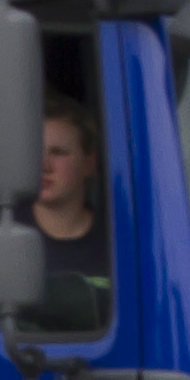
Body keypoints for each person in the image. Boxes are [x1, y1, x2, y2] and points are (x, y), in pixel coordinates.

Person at [32, 98, 115, 333]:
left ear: (89, 164)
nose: (44, 165)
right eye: (36, 151)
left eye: (58, 152)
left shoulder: (121, 243)